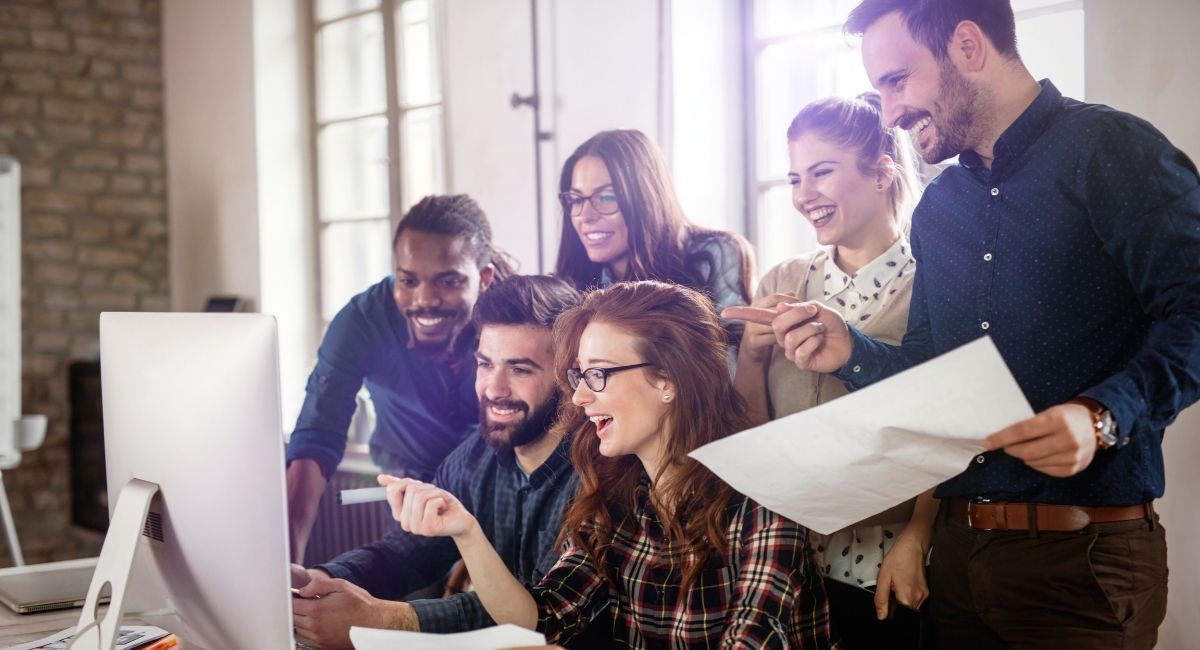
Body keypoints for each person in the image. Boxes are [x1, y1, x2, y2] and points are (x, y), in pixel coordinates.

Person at [729, 1, 1200, 647]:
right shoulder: (940, 209)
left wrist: (1102, 416)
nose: (889, 114)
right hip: (952, 563)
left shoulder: (1112, 150)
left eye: (897, 82)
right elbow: (932, 376)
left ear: (969, 46)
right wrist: (850, 350)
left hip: (1079, 562)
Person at [382, 282, 835, 648]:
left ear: (667, 380)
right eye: (579, 376)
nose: (579, 396)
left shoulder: (762, 500)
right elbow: (541, 619)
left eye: (598, 374)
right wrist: (466, 531)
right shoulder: (618, 492)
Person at [732, 93, 931, 649]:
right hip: (784, 563)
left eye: (821, 173)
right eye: (795, 178)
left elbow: (952, 424)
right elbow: (752, 433)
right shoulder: (781, 280)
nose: (803, 195)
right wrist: (750, 354)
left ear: (881, 173)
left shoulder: (930, 284)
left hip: (884, 566)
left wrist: (918, 535)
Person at [290, 276, 583, 648]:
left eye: (520, 369)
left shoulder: (599, 473)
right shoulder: (475, 456)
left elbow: (534, 617)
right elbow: (408, 553)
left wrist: (380, 620)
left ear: (569, 376)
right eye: (485, 364)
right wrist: (316, 581)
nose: (494, 388)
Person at [285, 194, 514, 562]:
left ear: (483, 278)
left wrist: (479, 554)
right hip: (412, 505)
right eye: (408, 280)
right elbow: (317, 433)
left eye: (448, 281)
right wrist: (288, 561)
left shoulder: (516, 319)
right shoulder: (362, 321)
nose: (424, 299)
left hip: (503, 504)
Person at [554, 129, 755, 348]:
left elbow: (733, 368)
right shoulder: (574, 282)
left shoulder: (717, 253)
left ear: (646, 198)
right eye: (575, 199)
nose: (585, 215)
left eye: (607, 197)